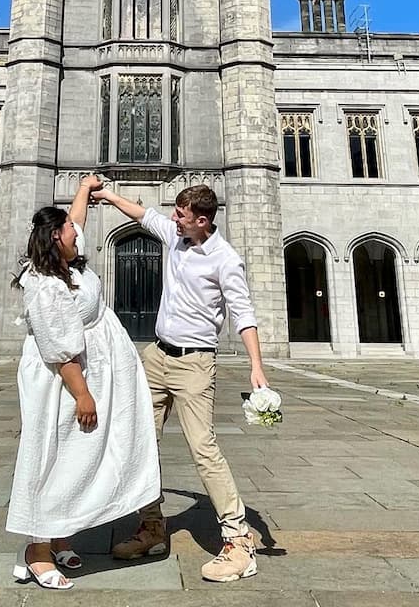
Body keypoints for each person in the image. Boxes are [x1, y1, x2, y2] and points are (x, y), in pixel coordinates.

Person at [92, 179, 269, 583]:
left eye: (181, 215)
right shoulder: (175, 238)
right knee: (141, 440)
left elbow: (244, 313)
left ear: (201, 220)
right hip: (157, 356)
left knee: (203, 448)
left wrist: (256, 366)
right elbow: (143, 214)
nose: (173, 219)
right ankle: (152, 527)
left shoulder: (225, 259)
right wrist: (109, 196)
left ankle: (240, 541)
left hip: (194, 363)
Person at [6, 176, 161, 590]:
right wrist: (83, 393)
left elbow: (75, 218)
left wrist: (85, 189)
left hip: (95, 368)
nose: (79, 230)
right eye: (71, 230)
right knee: (54, 457)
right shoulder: (45, 285)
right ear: (56, 238)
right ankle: (36, 551)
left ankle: (60, 537)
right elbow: (59, 349)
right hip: (66, 380)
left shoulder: (69, 262)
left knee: (83, 456)